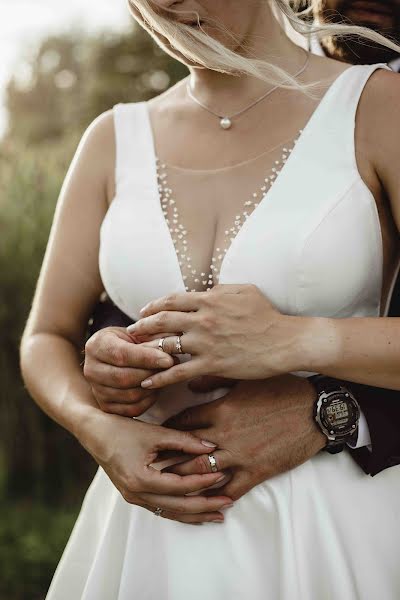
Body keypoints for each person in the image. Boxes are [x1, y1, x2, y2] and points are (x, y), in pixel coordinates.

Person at [20, 1, 400, 598]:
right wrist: (99, 427)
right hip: (146, 535)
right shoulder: (110, 138)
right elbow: (46, 336)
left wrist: (295, 342)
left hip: (332, 523)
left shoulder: (378, 106)